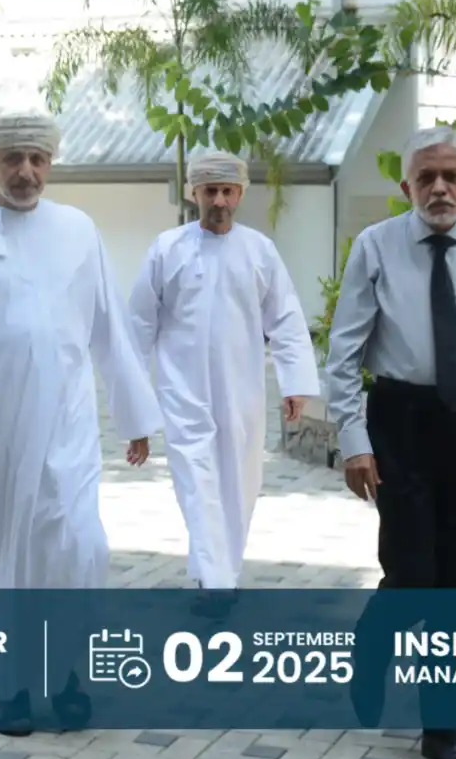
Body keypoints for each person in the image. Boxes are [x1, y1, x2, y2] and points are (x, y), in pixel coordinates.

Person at [0, 112, 163, 734]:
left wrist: (134, 414)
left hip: (67, 425)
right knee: (8, 561)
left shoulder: (77, 229)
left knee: (79, 547)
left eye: (37, 159)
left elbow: (109, 325)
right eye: (13, 159)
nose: (26, 172)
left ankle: (67, 673)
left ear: (50, 164)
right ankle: (12, 687)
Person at [324, 125, 456, 759]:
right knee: (414, 573)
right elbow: (343, 352)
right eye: (426, 177)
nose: (439, 188)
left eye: (452, 177)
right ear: (406, 185)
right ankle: (375, 638)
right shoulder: (376, 246)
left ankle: (445, 733)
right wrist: (354, 441)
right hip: (402, 422)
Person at [129, 150, 319, 608]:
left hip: (242, 390)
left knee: (239, 485)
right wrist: (135, 409)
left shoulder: (259, 251)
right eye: (210, 190)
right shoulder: (167, 249)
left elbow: (286, 318)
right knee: (197, 484)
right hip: (182, 391)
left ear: (240, 193)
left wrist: (295, 383)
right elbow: (137, 326)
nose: (218, 200)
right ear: (193, 193)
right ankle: (217, 585)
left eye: (227, 191)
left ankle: (215, 573)